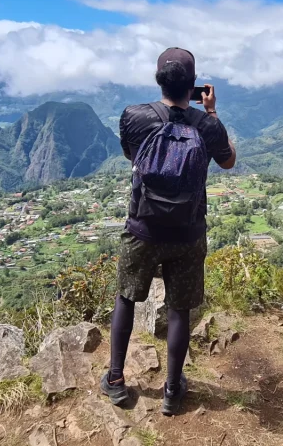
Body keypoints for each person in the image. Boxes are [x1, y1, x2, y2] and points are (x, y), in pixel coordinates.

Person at [100, 47, 236, 416]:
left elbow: (133, 156)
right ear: (193, 85)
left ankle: (115, 379)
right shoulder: (206, 125)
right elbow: (228, 160)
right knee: (179, 310)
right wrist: (210, 113)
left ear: (159, 79)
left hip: (142, 227)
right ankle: (173, 389)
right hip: (188, 232)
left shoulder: (135, 116)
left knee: (126, 299)